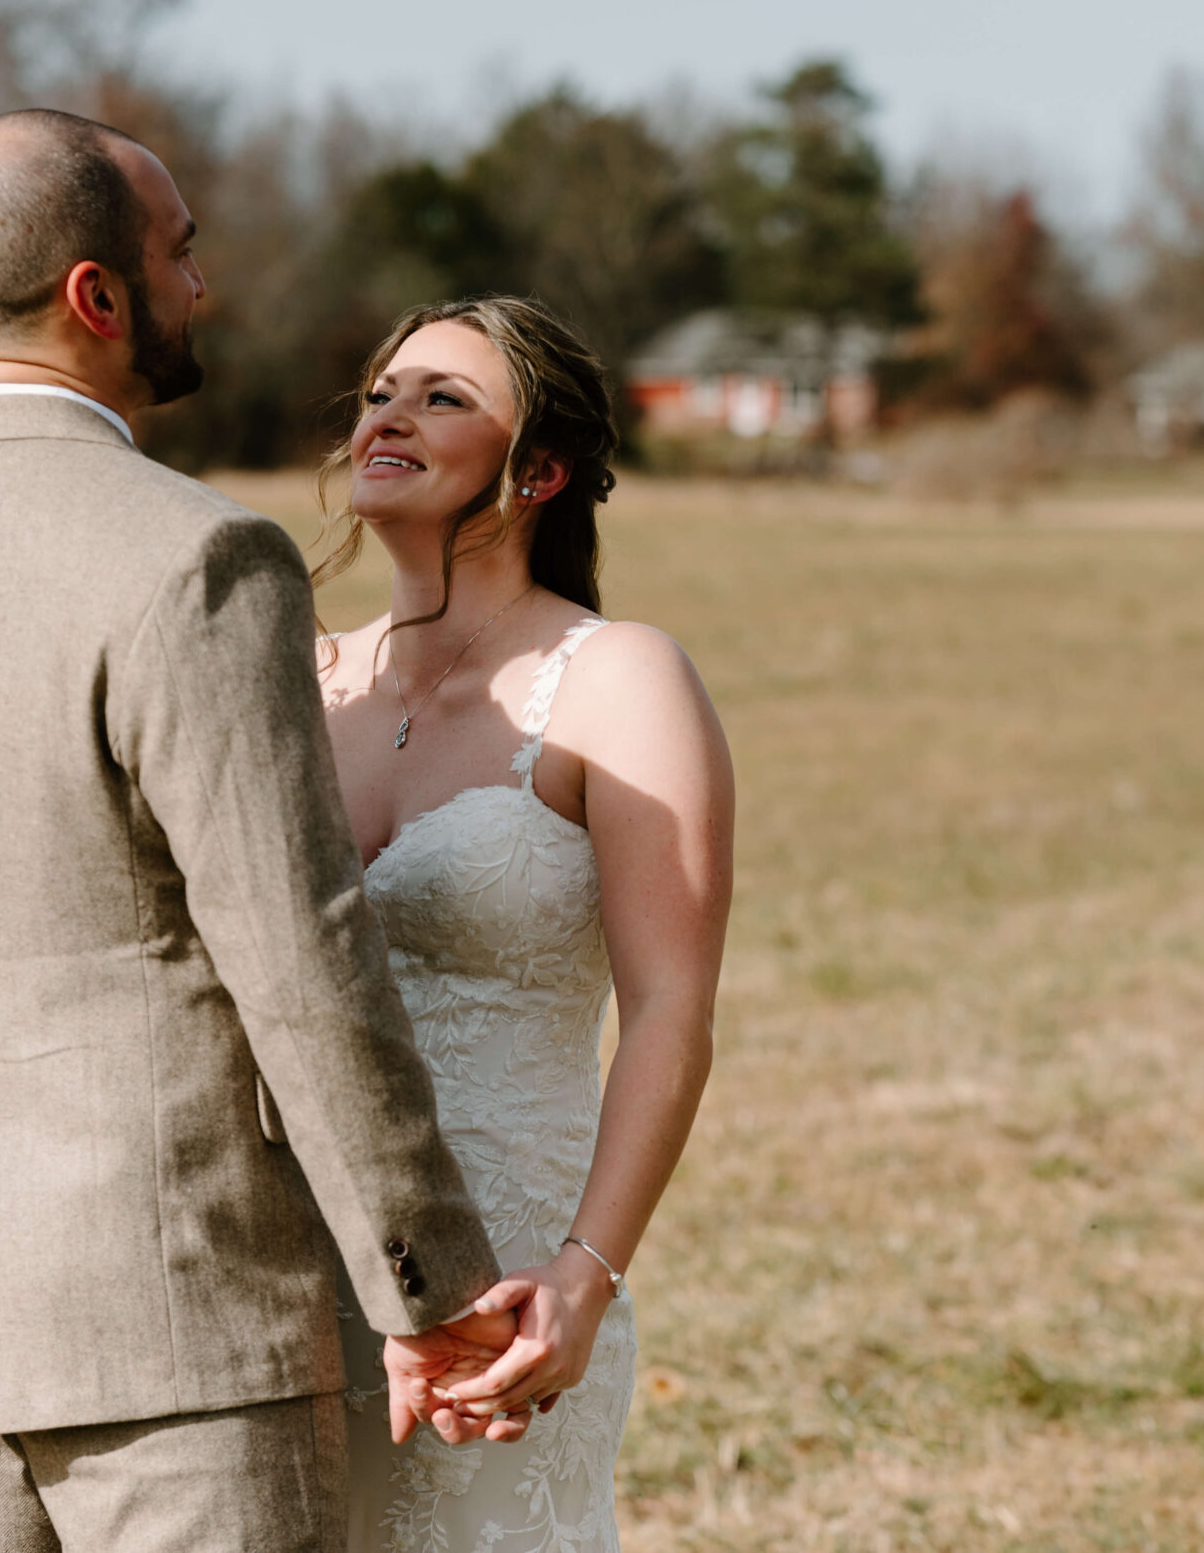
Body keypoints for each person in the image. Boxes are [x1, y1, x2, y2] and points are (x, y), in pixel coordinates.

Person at [0, 109, 525, 1553]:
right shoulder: (200, 560)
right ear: (93, 298)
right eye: (180, 253)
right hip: (189, 1330)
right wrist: (427, 1287)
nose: (201, 286)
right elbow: (300, 959)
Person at [314, 297, 737, 1551]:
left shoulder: (620, 679)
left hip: (509, 1282)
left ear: (538, 468)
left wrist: (583, 1275)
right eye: (382, 390)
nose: (389, 414)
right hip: (295, 1262)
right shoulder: (286, 673)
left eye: (444, 397)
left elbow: (671, 1009)